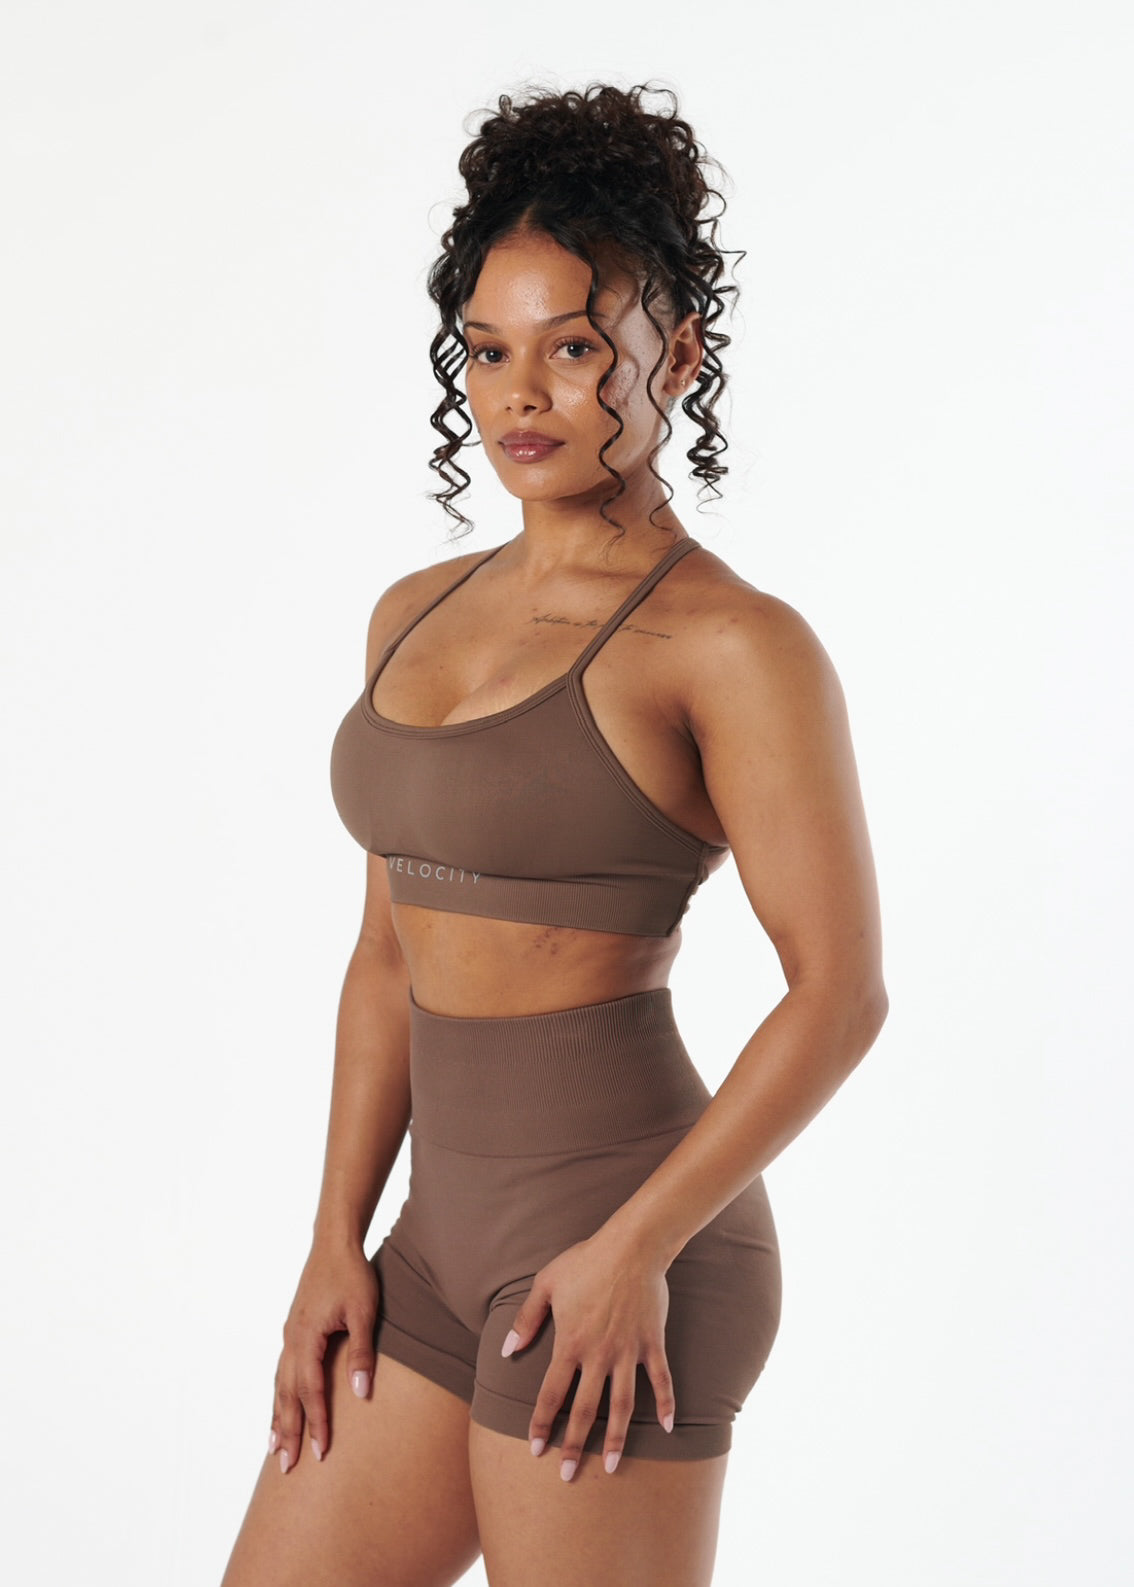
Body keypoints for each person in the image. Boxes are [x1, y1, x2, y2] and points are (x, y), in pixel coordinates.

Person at [221, 81, 887, 1587]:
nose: (521, 394)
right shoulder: (414, 613)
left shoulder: (732, 645)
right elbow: (385, 959)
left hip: (626, 1248)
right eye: (489, 349)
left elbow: (840, 992)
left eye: (576, 348)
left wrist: (636, 1249)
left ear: (679, 356)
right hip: (428, 1249)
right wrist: (333, 1240)